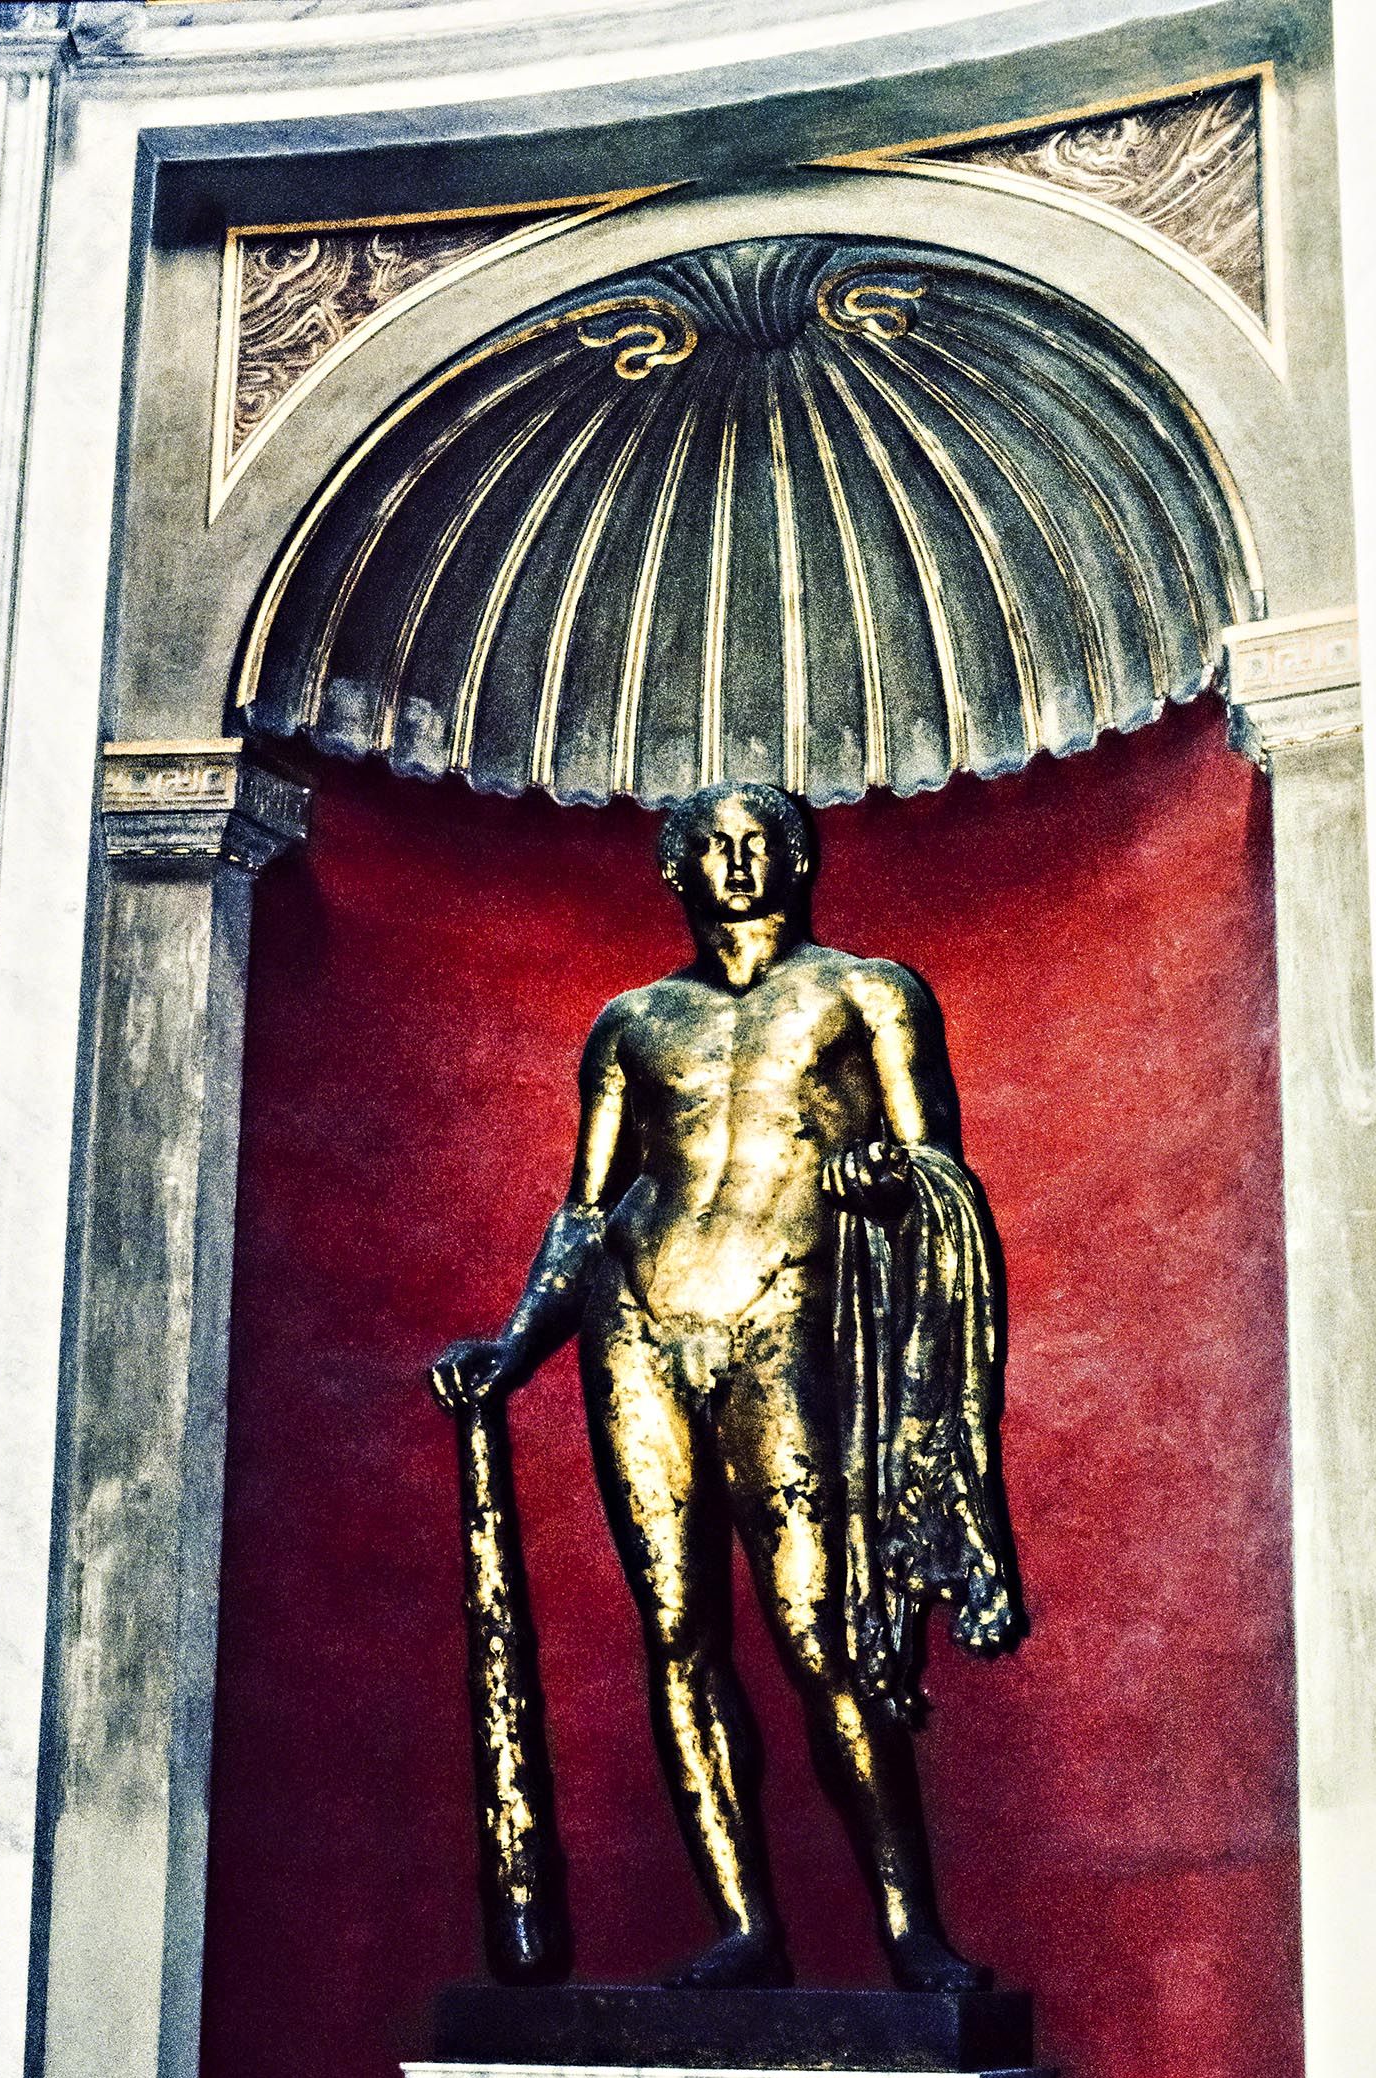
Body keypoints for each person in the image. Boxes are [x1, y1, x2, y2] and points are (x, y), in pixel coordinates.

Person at [432, 781, 1023, 1990]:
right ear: (676, 872)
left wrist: (885, 1179)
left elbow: (941, 1176)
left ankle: (910, 1928)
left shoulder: (868, 991)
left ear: (798, 858)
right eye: (713, 847)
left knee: (820, 1638)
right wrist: (515, 1342)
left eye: (761, 843)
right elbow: (584, 1211)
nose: (738, 862)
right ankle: (744, 1922)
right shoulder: (631, 1022)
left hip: (783, 1311)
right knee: (678, 1631)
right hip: (636, 1322)